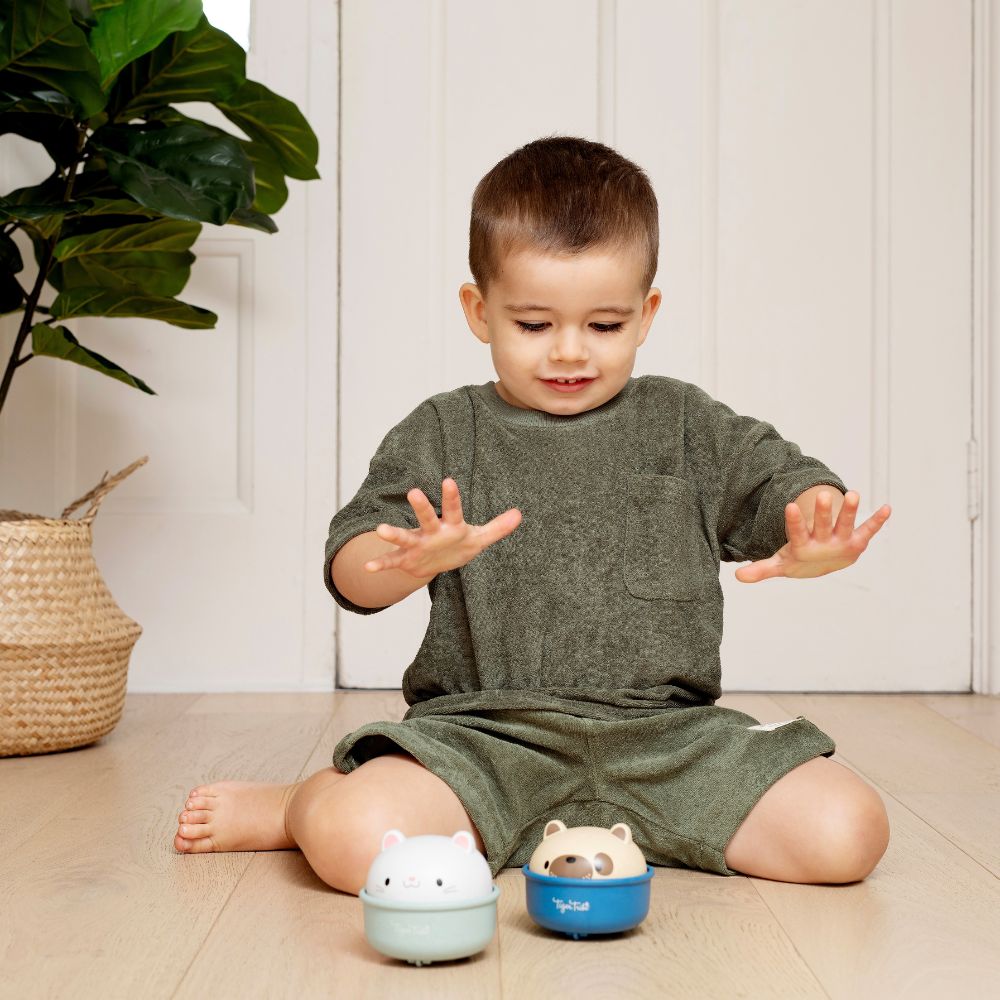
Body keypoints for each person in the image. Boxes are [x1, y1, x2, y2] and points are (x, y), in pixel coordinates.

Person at [173, 136, 892, 894]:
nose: (570, 352)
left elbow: (784, 481)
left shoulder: (685, 423)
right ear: (479, 312)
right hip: (484, 740)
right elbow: (352, 571)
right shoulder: (445, 430)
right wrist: (407, 560)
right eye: (534, 325)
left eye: (605, 326)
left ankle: (637, 818)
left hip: (669, 741)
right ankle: (298, 805)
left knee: (847, 831)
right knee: (359, 840)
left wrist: (818, 522)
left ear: (646, 314)